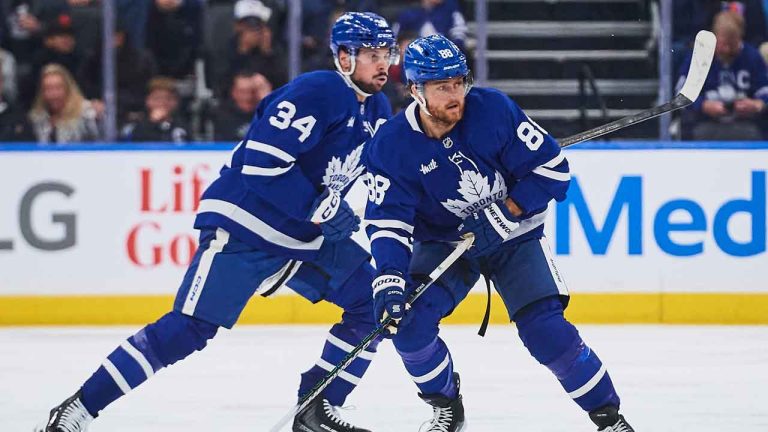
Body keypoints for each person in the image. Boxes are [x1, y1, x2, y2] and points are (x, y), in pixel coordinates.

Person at [37, 11, 397, 432]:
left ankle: (317, 406)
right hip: (247, 225)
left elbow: (386, 172)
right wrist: (323, 208)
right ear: (342, 57)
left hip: (303, 234)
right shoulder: (316, 92)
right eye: (371, 54)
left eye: (387, 53)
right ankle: (78, 408)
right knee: (189, 329)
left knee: (372, 305)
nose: (383, 64)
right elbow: (262, 166)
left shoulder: (377, 106)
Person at [364, 34, 636, 432]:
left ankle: (610, 419)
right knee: (408, 327)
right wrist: (388, 278)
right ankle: (446, 405)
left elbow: (553, 172)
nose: (455, 94)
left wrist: (508, 210)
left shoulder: (491, 110)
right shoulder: (389, 145)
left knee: (546, 331)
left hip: (515, 236)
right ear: (415, 90)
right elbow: (389, 221)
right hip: (446, 243)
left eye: (458, 82)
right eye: (442, 87)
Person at [677, 10, 768, 140]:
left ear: (740, 38)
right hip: (704, 123)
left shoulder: (752, 57)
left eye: (732, 45)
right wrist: (703, 105)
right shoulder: (699, 56)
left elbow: (764, 89)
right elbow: (681, 93)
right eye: (723, 44)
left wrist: (757, 104)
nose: (727, 50)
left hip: (745, 126)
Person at [27, 63, 101, 143]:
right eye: (48, 89)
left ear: (68, 89)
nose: (54, 94)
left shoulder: (87, 112)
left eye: (58, 88)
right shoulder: (37, 118)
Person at [120, 77, 190, 143]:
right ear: (147, 100)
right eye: (157, 98)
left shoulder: (185, 124)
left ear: (176, 102)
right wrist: (152, 123)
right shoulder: (135, 125)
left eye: (169, 98)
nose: (163, 103)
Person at [212, 70, 272, 142]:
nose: (247, 97)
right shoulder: (222, 116)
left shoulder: (263, 113)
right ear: (234, 92)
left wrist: (266, 98)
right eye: (242, 91)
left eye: (252, 91)